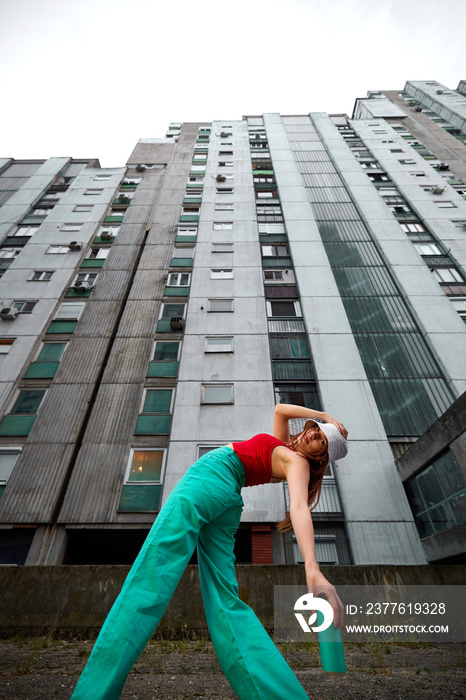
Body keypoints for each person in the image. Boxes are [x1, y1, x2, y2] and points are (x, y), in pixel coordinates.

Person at [71, 403, 348, 700]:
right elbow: (280, 410)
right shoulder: (285, 447)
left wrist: (312, 567)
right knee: (226, 603)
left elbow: (297, 507)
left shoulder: (298, 463)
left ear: (321, 458)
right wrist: (324, 416)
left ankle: (92, 695)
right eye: (316, 431)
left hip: (212, 477)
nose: (314, 435)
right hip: (228, 499)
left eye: (322, 440)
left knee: (151, 574)